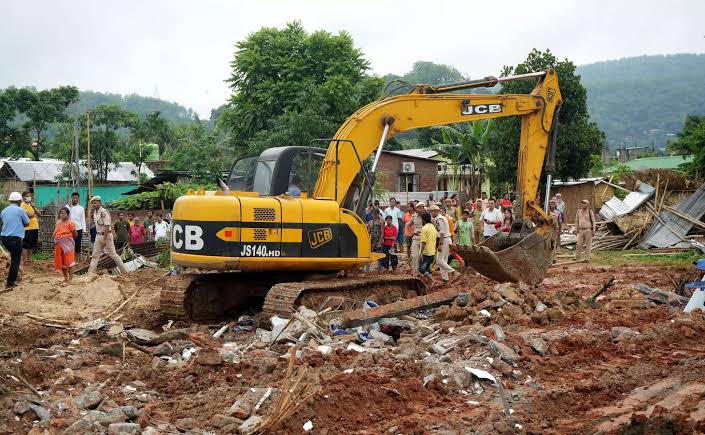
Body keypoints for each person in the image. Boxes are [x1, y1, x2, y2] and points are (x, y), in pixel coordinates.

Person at [87, 196, 128, 274]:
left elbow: (107, 226)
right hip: (98, 235)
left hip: (106, 236)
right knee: (95, 255)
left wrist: (104, 239)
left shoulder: (104, 212)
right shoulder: (95, 213)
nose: (94, 205)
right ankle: (89, 274)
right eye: (93, 203)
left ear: (99, 203)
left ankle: (124, 272)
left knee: (113, 254)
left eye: (95, 203)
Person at [1, 192, 29, 288]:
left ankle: (15, 276)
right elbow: (27, 223)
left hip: (4, 238)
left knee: (14, 258)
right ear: (19, 201)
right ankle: (10, 284)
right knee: (16, 260)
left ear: (10, 200)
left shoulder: (4, 211)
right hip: (15, 239)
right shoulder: (21, 210)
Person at [429, 205, 460, 283]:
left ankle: (453, 272)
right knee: (443, 261)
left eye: (431, 212)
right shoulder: (442, 218)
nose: (431, 214)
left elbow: (442, 232)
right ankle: (445, 279)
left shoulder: (439, 219)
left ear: (435, 211)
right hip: (446, 239)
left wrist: (440, 244)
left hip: (444, 240)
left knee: (439, 261)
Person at [53, 207, 78, 283]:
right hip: (59, 245)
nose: (62, 215)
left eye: (64, 213)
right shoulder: (58, 222)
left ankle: (71, 278)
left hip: (68, 245)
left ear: (68, 215)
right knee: (62, 262)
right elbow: (55, 232)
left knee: (70, 261)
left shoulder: (70, 223)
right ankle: (65, 277)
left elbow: (75, 234)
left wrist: (67, 240)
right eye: (61, 213)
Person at [418, 212, 437, 288]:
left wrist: (421, 253)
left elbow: (423, 242)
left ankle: (431, 280)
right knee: (428, 268)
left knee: (421, 268)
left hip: (426, 252)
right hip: (432, 251)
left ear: (424, 220)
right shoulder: (433, 227)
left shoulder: (424, 228)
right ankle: (430, 284)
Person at [20, 192, 39, 265]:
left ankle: (30, 259)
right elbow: (29, 215)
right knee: (25, 244)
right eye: (27, 196)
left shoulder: (31, 205)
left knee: (31, 244)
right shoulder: (22, 205)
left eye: (30, 196)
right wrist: (34, 214)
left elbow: (39, 214)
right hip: (27, 228)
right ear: (23, 197)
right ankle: (25, 260)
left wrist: (33, 207)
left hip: (35, 227)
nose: (29, 197)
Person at [407, 202, 425, 274]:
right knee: (414, 256)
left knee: (423, 256)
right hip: (415, 238)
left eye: (422, 207)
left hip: (424, 239)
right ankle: (415, 272)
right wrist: (412, 232)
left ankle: (423, 272)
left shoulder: (426, 216)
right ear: (416, 209)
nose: (421, 209)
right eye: (420, 207)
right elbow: (408, 225)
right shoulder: (414, 216)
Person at [69, 192, 86, 261]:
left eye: (76, 198)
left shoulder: (81, 208)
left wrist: (84, 229)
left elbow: (83, 219)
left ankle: (76, 260)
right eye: (73, 198)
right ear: (71, 198)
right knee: (69, 244)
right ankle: (69, 259)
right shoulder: (68, 207)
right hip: (69, 229)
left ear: (78, 199)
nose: (74, 199)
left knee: (78, 245)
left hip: (79, 229)